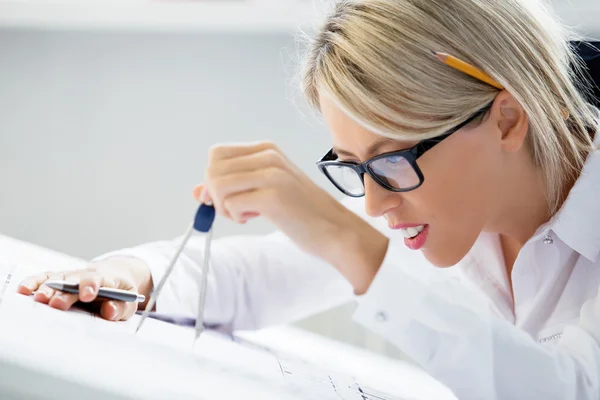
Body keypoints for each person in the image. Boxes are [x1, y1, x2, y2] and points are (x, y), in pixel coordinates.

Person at [16, 1, 600, 399]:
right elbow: (255, 277)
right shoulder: (440, 198)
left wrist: (350, 244)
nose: (374, 205)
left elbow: (567, 389)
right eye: (354, 169)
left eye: (392, 161)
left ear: (506, 119)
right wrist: (126, 275)